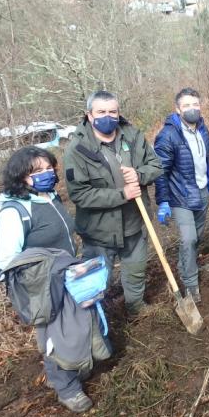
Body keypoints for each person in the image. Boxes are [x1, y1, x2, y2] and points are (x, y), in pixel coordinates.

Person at [0, 146, 110, 413]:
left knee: (78, 326)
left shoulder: (48, 197)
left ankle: (77, 368)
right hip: (43, 286)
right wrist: (49, 268)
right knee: (53, 336)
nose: (46, 174)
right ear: (22, 177)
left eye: (49, 169)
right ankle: (66, 388)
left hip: (69, 277)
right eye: (37, 171)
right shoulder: (14, 212)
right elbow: (6, 261)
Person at [64, 90, 163, 315]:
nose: (107, 116)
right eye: (101, 112)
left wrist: (139, 174)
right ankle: (98, 323)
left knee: (136, 272)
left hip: (134, 224)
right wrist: (122, 194)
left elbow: (156, 166)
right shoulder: (78, 149)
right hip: (99, 231)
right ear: (89, 115)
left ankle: (136, 310)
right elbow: (80, 194)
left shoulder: (133, 136)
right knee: (99, 282)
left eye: (112, 112)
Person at [153, 88, 209, 303]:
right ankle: (191, 285)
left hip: (202, 192)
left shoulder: (201, 128)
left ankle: (186, 266)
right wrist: (162, 201)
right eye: (186, 105)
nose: (192, 109)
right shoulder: (168, 135)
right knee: (188, 240)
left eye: (195, 104)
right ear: (177, 109)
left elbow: (206, 150)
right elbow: (160, 171)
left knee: (195, 239)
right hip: (180, 197)